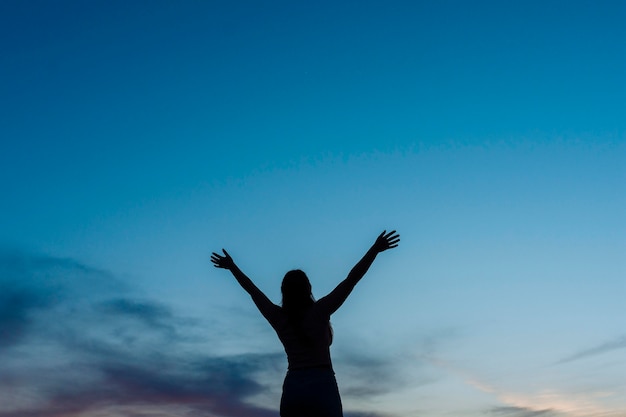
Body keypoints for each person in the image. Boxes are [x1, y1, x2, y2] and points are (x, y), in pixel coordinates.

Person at [210, 230, 400, 417]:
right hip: (322, 384)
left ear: (283, 291)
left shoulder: (279, 317)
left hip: (294, 387)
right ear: (308, 288)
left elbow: (252, 290)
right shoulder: (320, 310)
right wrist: (374, 249)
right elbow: (351, 280)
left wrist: (232, 267)